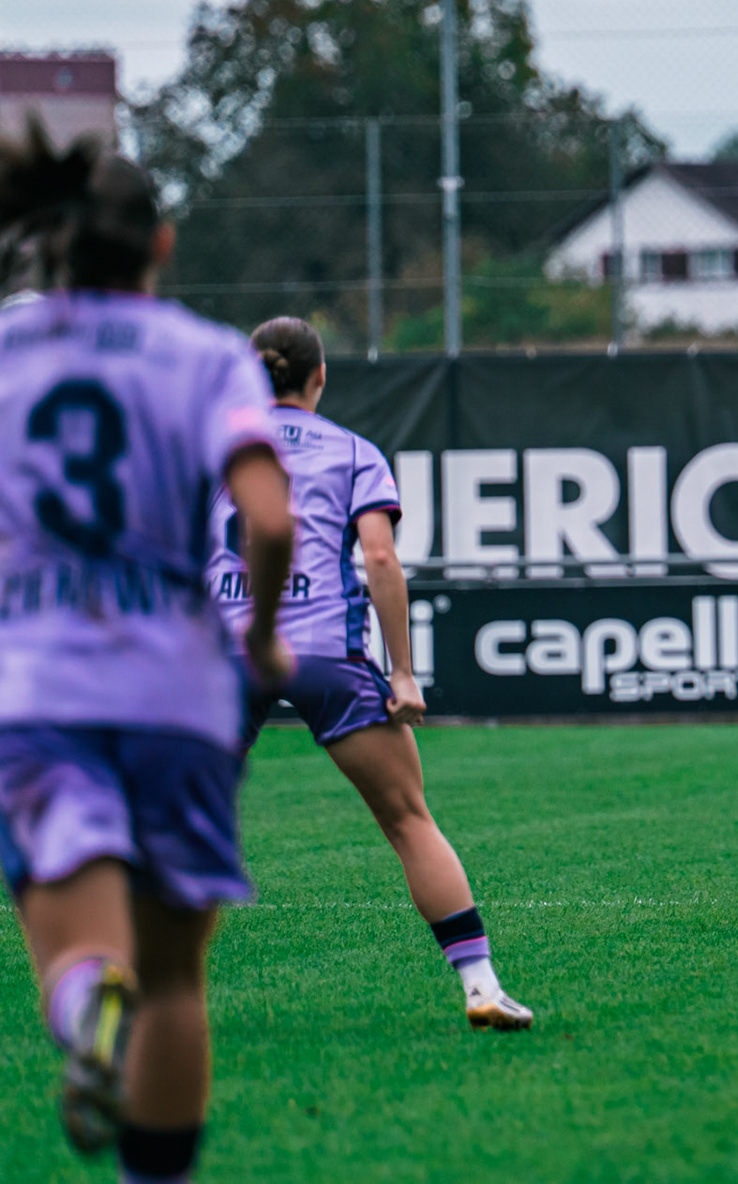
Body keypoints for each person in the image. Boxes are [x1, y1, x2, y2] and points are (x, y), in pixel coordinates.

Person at [0, 118, 295, 1181]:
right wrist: (262, 637)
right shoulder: (208, 356)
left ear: (52, 244)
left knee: (82, 950)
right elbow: (270, 520)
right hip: (177, 689)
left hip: (35, 686)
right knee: (174, 979)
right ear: (162, 243)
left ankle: (87, 1007)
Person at [206, 316, 532, 1031]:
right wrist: (403, 673)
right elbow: (380, 559)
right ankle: (480, 986)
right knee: (409, 820)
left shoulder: (210, 445)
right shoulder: (353, 451)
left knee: (180, 818)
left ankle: (131, 989)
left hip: (223, 652)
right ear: (320, 377)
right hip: (325, 652)